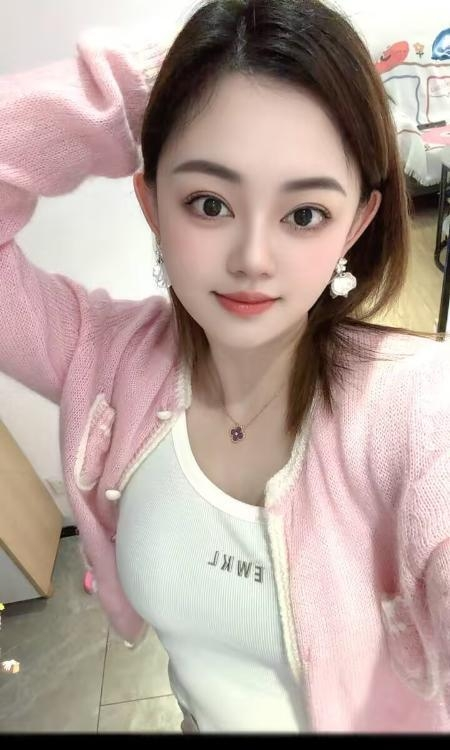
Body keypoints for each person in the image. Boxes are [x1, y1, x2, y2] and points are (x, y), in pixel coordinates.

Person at [0, 0, 449, 735]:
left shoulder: (417, 405)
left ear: (357, 224)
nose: (252, 259)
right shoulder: (105, 358)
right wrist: (145, 83)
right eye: (209, 203)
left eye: (304, 214)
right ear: (151, 204)